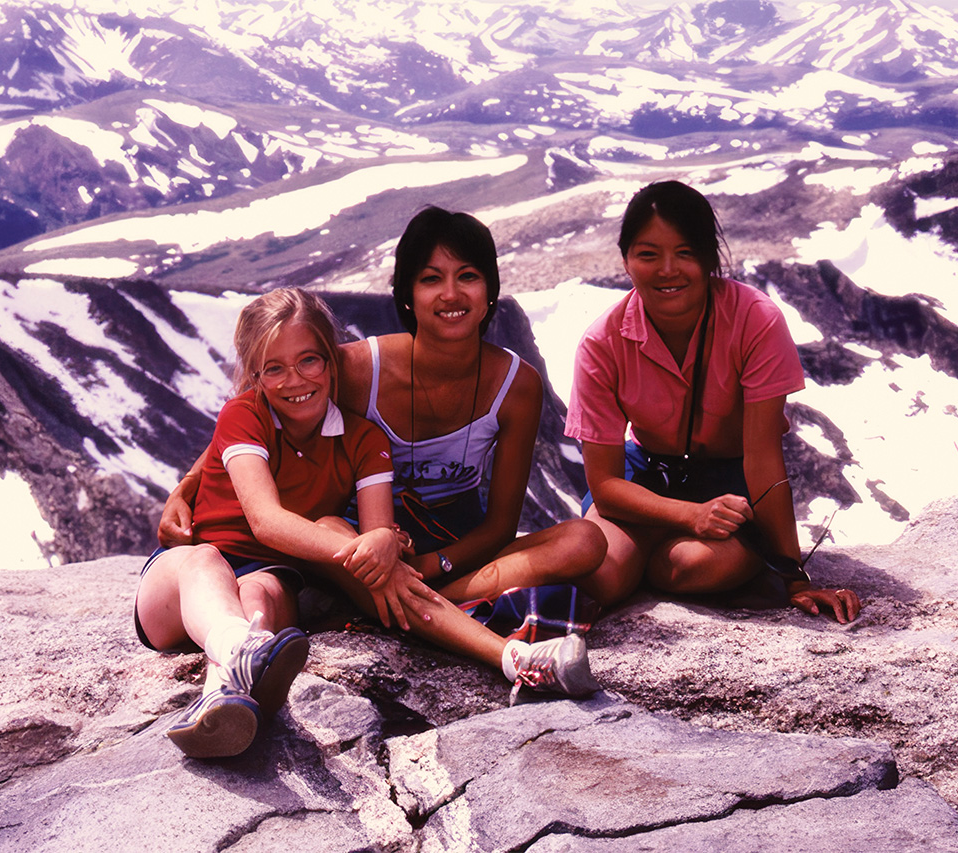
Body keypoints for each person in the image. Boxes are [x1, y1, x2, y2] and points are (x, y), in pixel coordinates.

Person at [139, 290, 598, 759]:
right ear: (254, 376)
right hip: (179, 587)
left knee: (263, 595)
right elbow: (267, 523)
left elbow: (381, 552)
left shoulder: (363, 439)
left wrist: (382, 544)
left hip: (272, 576)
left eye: (309, 361)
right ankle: (238, 652)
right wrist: (367, 544)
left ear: (333, 361)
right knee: (207, 560)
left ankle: (224, 700)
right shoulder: (246, 416)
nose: (293, 380)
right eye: (273, 369)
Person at [159, 207, 606, 610]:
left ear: (490, 289)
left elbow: (501, 525)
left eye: (467, 276)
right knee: (337, 533)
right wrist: (185, 488)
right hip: (360, 538)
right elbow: (252, 413)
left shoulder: (516, 384)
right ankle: (431, 607)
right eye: (431, 279)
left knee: (584, 540)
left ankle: (427, 603)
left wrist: (431, 566)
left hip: (454, 544)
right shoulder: (357, 369)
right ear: (407, 295)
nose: (451, 294)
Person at [565, 180, 861, 623]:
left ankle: (647, 557)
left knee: (694, 566)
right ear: (626, 260)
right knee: (604, 573)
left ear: (709, 258)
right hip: (645, 476)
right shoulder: (602, 342)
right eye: (648, 254)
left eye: (685, 253)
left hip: (731, 483)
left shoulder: (755, 320)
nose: (668, 269)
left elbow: (762, 457)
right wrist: (689, 515)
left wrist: (794, 577)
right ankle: (640, 558)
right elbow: (606, 485)